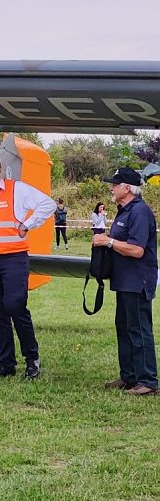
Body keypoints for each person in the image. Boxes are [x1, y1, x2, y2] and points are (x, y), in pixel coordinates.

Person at [0, 153, 56, 379]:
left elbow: (48, 204)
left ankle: (32, 358)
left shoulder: (18, 190)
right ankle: (6, 365)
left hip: (14, 259)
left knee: (15, 306)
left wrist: (27, 224)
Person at [92, 167, 158, 396]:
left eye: (114, 184)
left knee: (139, 330)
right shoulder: (124, 211)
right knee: (125, 328)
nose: (111, 188)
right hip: (124, 281)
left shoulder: (139, 212)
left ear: (127, 188)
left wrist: (108, 242)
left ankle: (148, 380)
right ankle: (129, 376)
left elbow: (137, 250)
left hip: (137, 281)